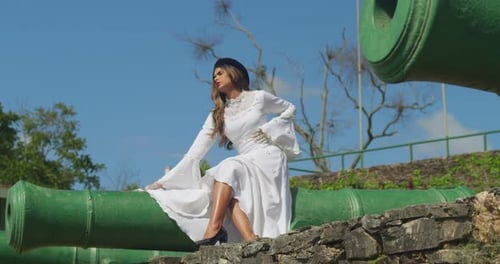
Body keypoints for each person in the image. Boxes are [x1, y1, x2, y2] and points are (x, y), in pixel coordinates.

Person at [146, 57, 300, 246]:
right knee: (220, 182)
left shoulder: (259, 98)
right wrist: (164, 183)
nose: (215, 78)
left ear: (234, 73)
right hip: (245, 160)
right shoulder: (218, 115)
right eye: (213, 76)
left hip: (267, 156)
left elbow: (289, 109)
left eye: (220, 73)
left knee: (227, 168)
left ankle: (214, 229)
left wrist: (271, 129)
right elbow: (195, 151)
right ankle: (250, 239)